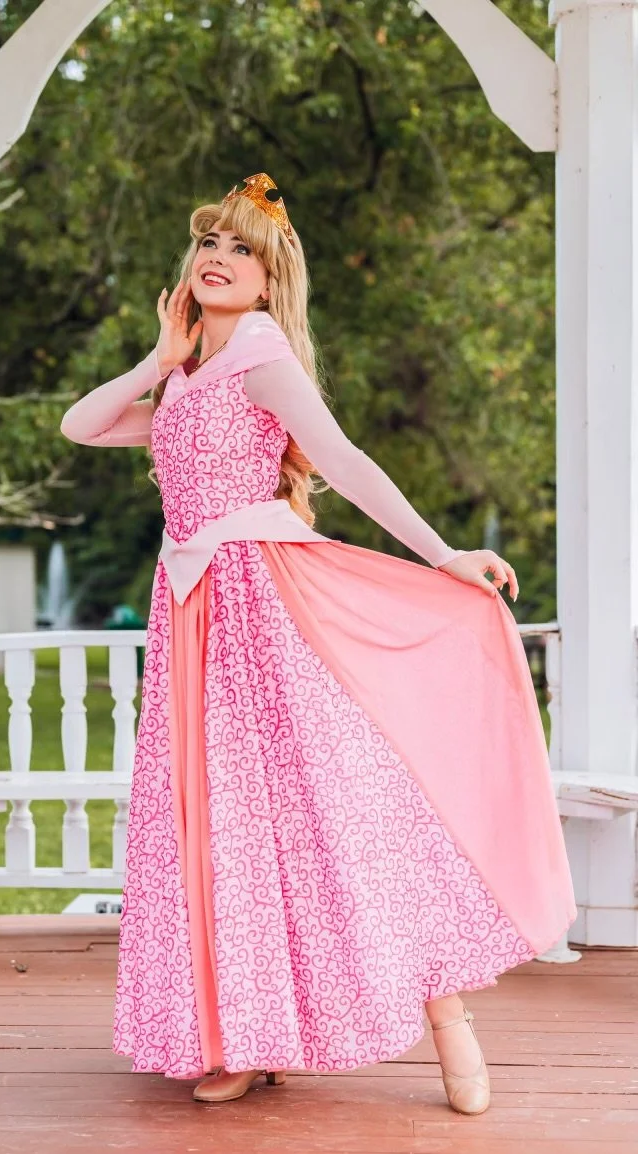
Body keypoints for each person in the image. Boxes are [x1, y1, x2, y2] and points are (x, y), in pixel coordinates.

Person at [60, 173, 576, 1115]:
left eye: (242, 249)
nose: (219, 257)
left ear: (269, 280)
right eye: (210, 242)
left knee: (338, 800)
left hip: (263, 608)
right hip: (194, 615)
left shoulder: (262, 356)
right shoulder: (187, 377)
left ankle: (448, 1015)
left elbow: (344, 460)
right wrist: (158, 357)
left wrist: (443, 555)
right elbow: (80, 424)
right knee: (224, 824)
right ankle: (246, 1035)